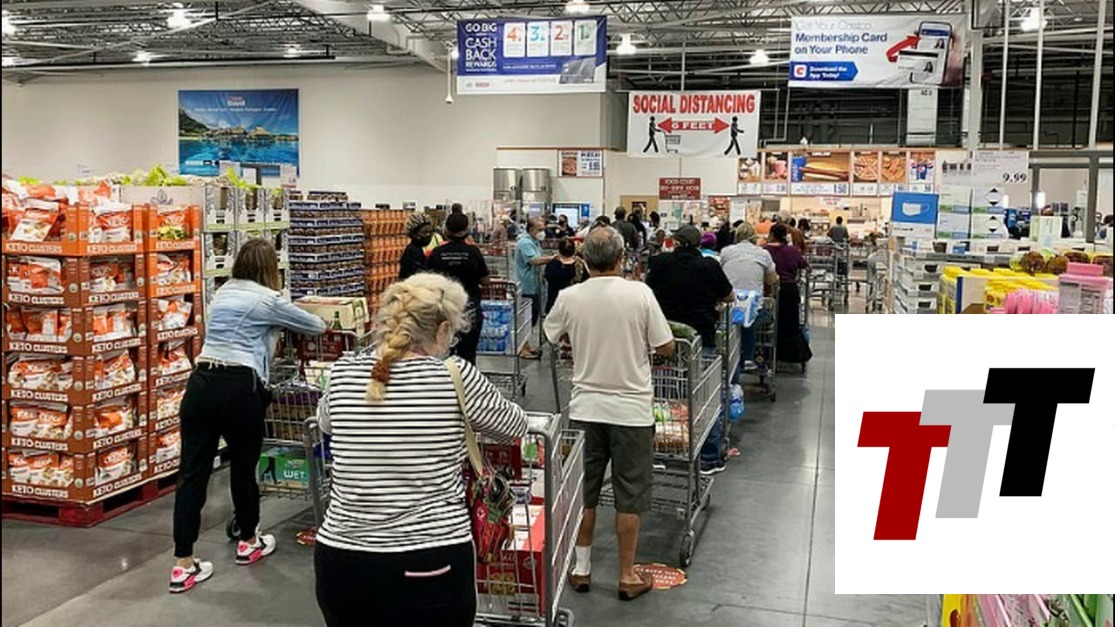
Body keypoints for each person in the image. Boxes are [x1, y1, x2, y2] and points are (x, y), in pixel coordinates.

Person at [314, 273, 531, 626]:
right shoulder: (456, 377)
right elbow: (514, 427)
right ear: (443, 329)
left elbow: (326, 423)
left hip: (342, 561)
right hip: (429, 562)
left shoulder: (343, 373)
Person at [171, 239, 327, 594]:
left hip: (200, 383)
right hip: (238, 387)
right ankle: (249, 540)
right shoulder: (267, 299)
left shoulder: (223, 293)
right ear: (270, 268)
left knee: (191, 474)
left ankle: (182, 563)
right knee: (244, 467)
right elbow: (316, 326)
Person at [543, 227, 675, 603]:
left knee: (583, 491)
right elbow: (665, 346)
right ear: (621, 257)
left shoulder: (569, 297)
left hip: (586, 408)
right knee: (629, 495)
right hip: (632, 411)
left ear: (584, 260)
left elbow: (550, 336)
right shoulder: (640, 294)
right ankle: (627, 575)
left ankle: (581, 567)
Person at [646, 225, 734, 475]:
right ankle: (708, 458)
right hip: (701, 337)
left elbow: (647, 292)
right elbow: (729, 296)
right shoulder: (709, 266)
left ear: (675, 241)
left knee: (660, 398)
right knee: (704, 397)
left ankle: (659, 449)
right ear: (698, 244)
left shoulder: (660, 262)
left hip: (664, 340)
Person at [427, 213, 490, 364]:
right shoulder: (473, 252)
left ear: (446, 230)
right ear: (466, 230)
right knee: (468, 353)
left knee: (441, 351)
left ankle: (445, 376)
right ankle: (466, 377)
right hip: (469, 308)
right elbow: (485, 281)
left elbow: (429, 281)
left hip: (443, 309)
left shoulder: (437, 253)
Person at [720, 222, 778, 377]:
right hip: (753, 307)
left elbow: (720, 275)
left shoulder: (726, 252)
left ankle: (727, 357)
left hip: (729, 306)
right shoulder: (763, 254)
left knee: (732, 322)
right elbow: (772, 280)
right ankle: (748, 357)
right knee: (755, 317)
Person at [765, 224, 812, 366]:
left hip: (771, 290)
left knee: (772, 322)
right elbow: (805, 265)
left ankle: (771, 352)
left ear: (772, 235)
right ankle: (793, 354)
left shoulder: (765, 251)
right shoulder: (792, 251)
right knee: (791, 324)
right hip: (790, 289)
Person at [514, 217, 555, 359]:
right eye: (540, 229)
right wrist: (553, 258)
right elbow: (534, 260)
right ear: (531, 229)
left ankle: (526, 345)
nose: (543, 232)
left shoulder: (534, 242)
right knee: (525, 319)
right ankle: (522, 348)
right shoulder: (525, 243)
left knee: (532, 317)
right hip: (526, 286)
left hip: (535, 285)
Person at [544, 237, 586, 314]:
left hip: (555, 305)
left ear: (559, 250)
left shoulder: (553, 265)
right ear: (574, 250)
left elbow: (547, 277)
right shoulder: (580, 265)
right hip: (575, 306)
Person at [400, 212, 434, 280]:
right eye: (424, 232)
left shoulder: (417, 249)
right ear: (414, 233)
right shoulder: (413, 251)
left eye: (430, 232)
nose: (428, 235)